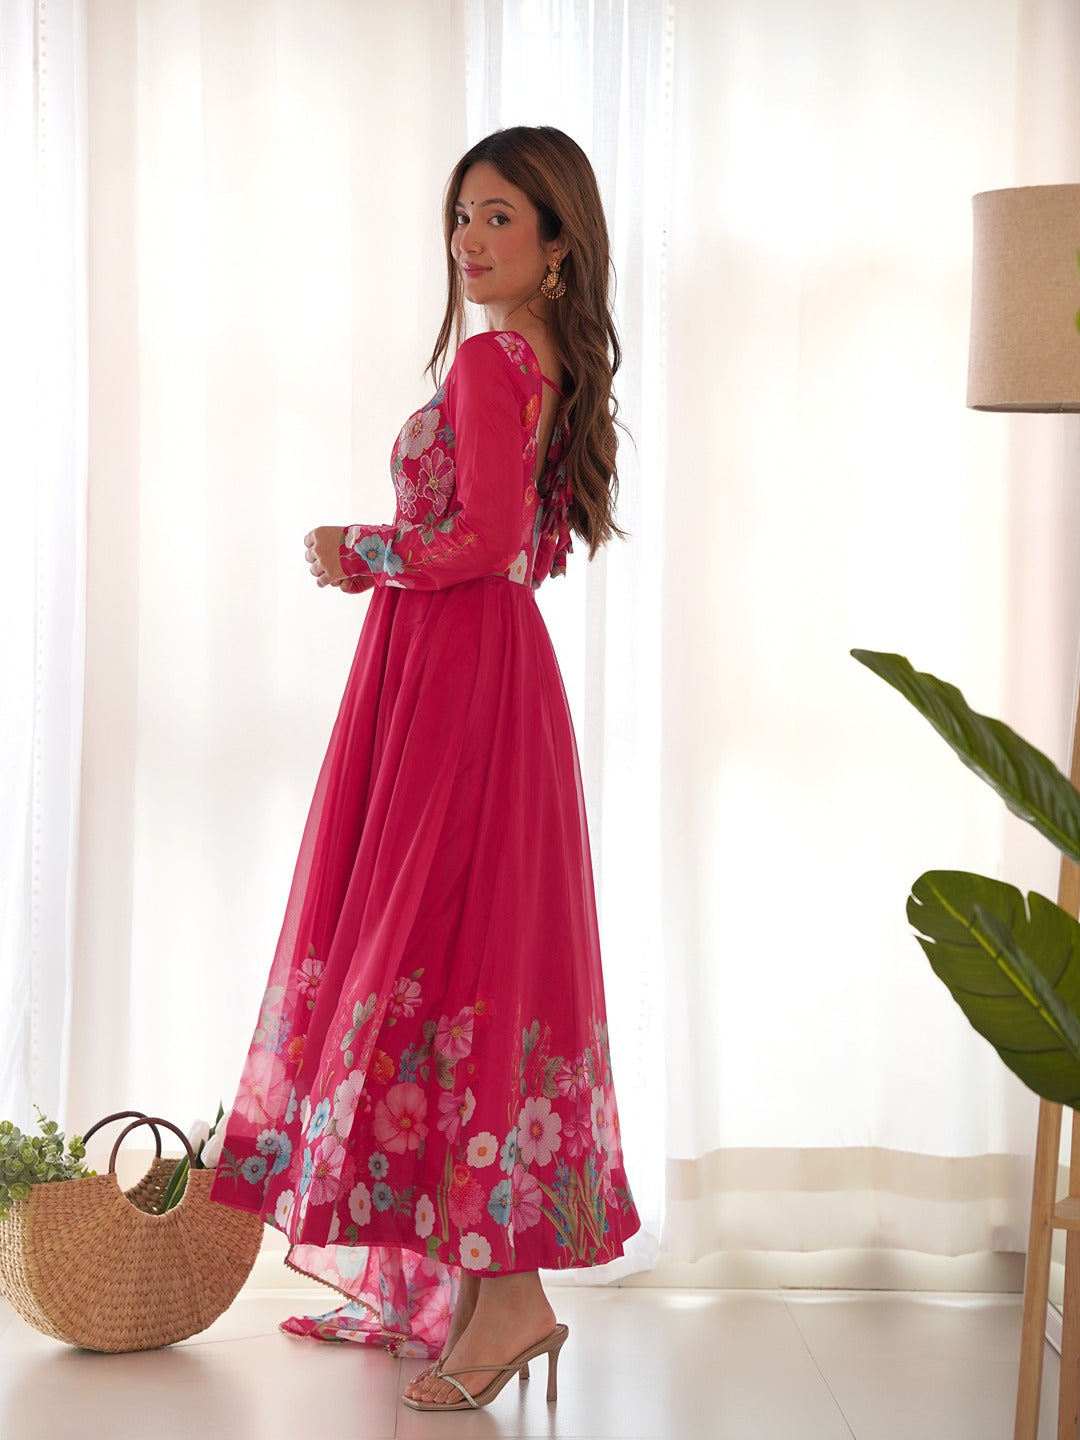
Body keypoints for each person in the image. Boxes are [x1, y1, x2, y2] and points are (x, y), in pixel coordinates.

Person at [210, 125, 640, 1414]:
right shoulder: (537, 362)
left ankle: (509, 1300)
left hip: (457, 676)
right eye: (462, 215)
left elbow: (489, 538)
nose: (469, 240)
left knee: (435, 949)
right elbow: (524, 546)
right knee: (462, 955)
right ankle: (481, 1289)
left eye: (501, 216)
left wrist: (361, 549)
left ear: (558, 243)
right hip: (475, 670)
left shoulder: (496, 361)